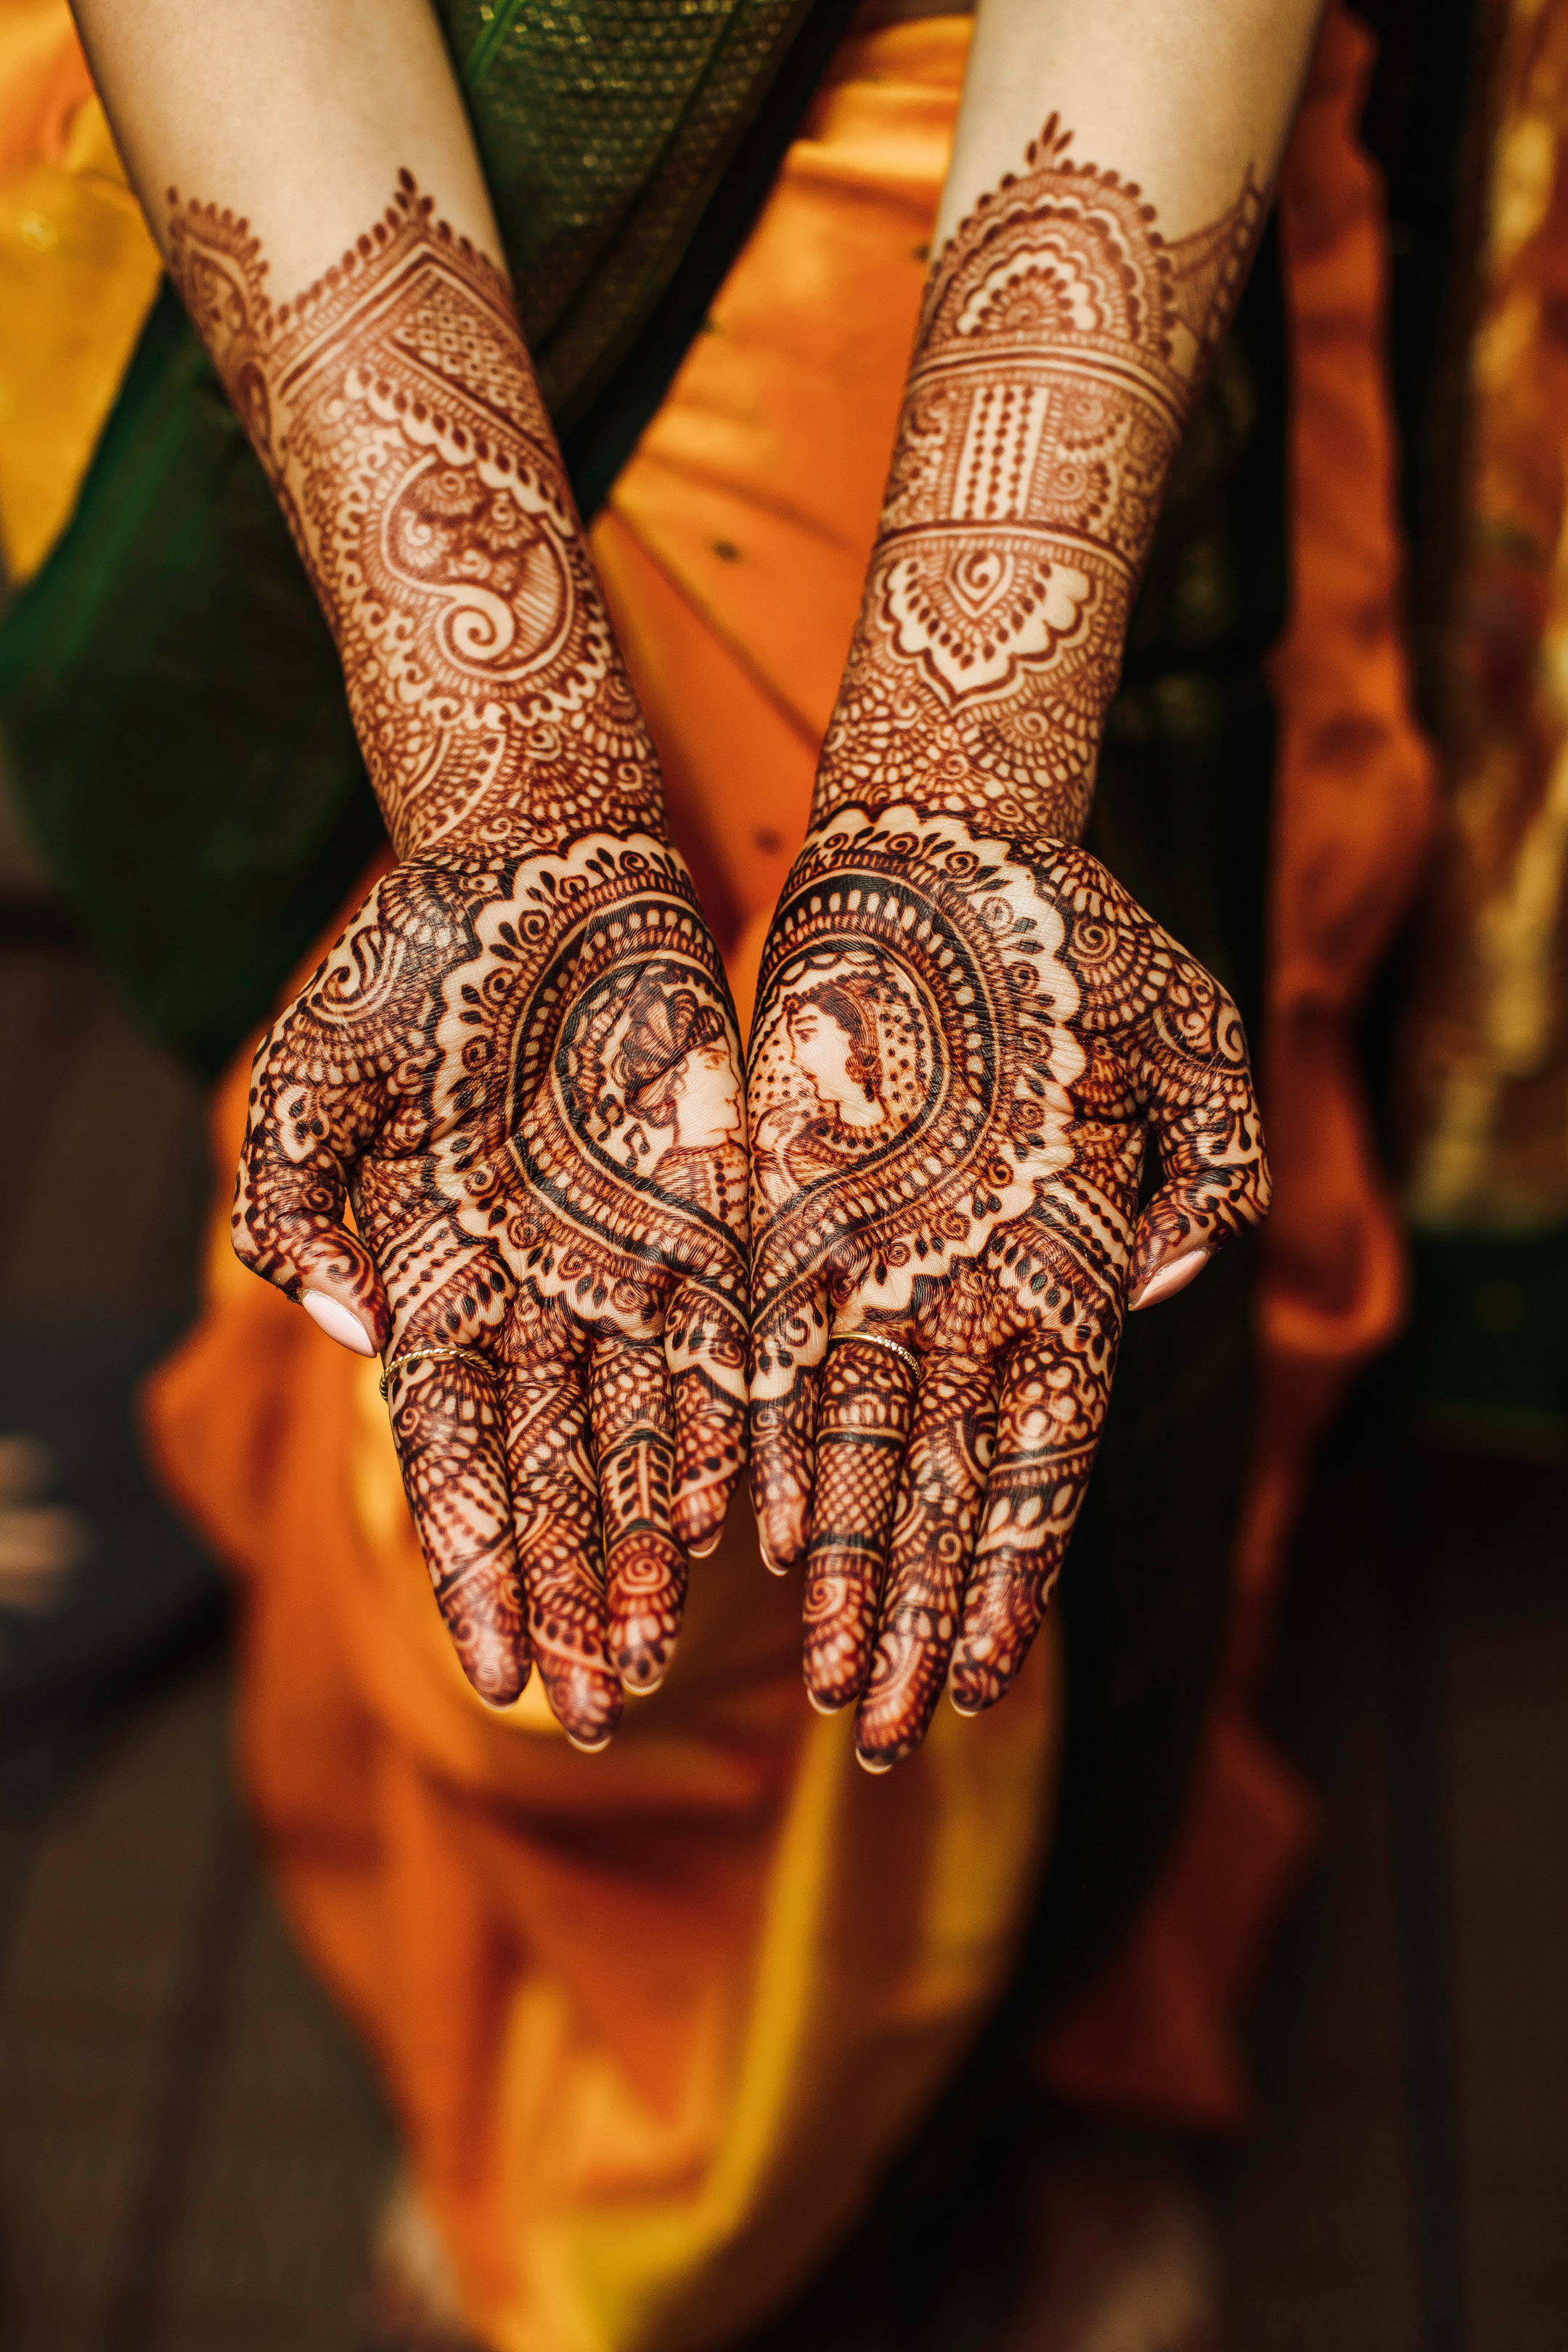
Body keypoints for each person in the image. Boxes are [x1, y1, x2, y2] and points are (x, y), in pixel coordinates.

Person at [0, 0, 1437, 2343]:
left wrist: (970, 770)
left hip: (1092, 96)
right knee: (572, 1415)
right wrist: (513, 784)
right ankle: (597, 2113)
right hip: (354, 123)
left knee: (1026, 1312)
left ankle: (1049, 2013)